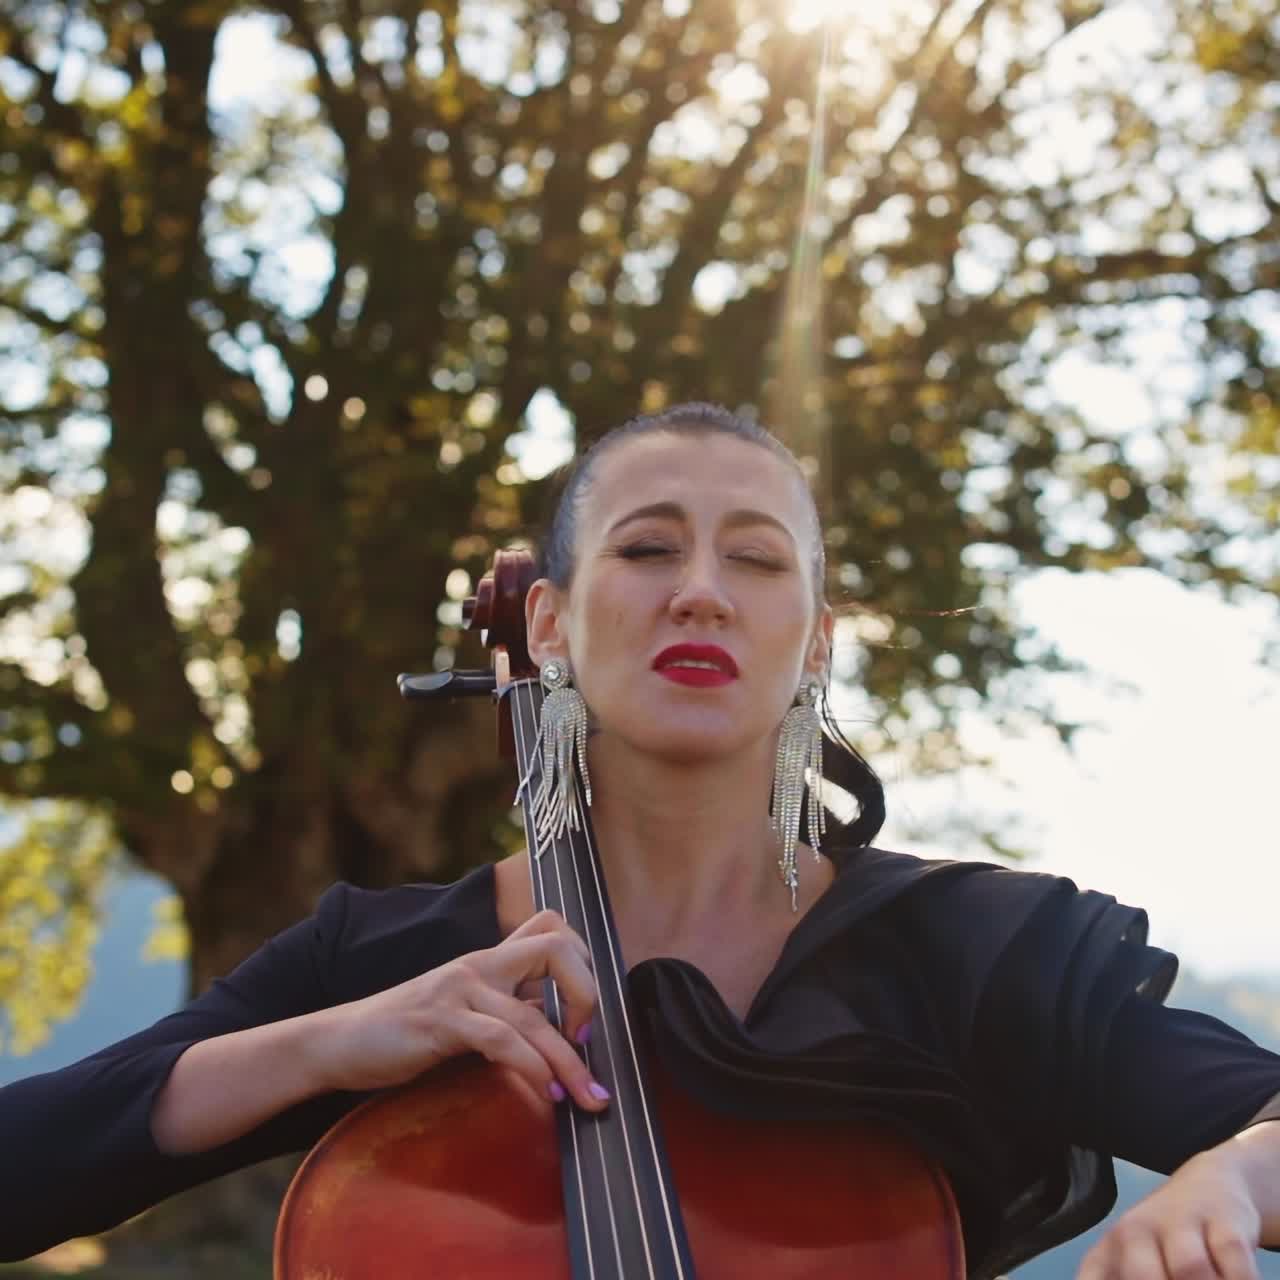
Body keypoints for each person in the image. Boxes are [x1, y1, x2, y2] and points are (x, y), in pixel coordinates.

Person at [1, 401, 1278, 1279]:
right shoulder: (391, 957)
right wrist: (328, 1040)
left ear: (815, 643)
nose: (701, 588)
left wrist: (1226, 1180)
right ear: (547, 624)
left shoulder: (981, 949)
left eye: (757, 559)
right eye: (648, 546)